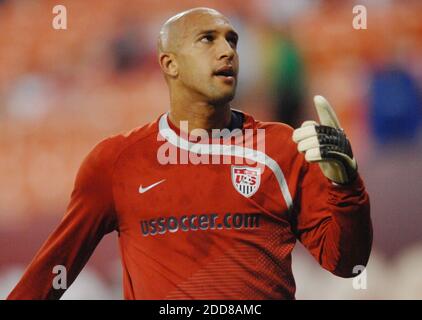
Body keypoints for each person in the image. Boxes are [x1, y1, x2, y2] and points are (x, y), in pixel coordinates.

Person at [7, 7, 372, 300]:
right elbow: (52, 273)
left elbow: (348, 264)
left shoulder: (280, 148)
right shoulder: (115, 163)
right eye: (207, 39)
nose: (227, 50)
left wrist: (346, 185)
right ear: (170, 64)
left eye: (232, 40)